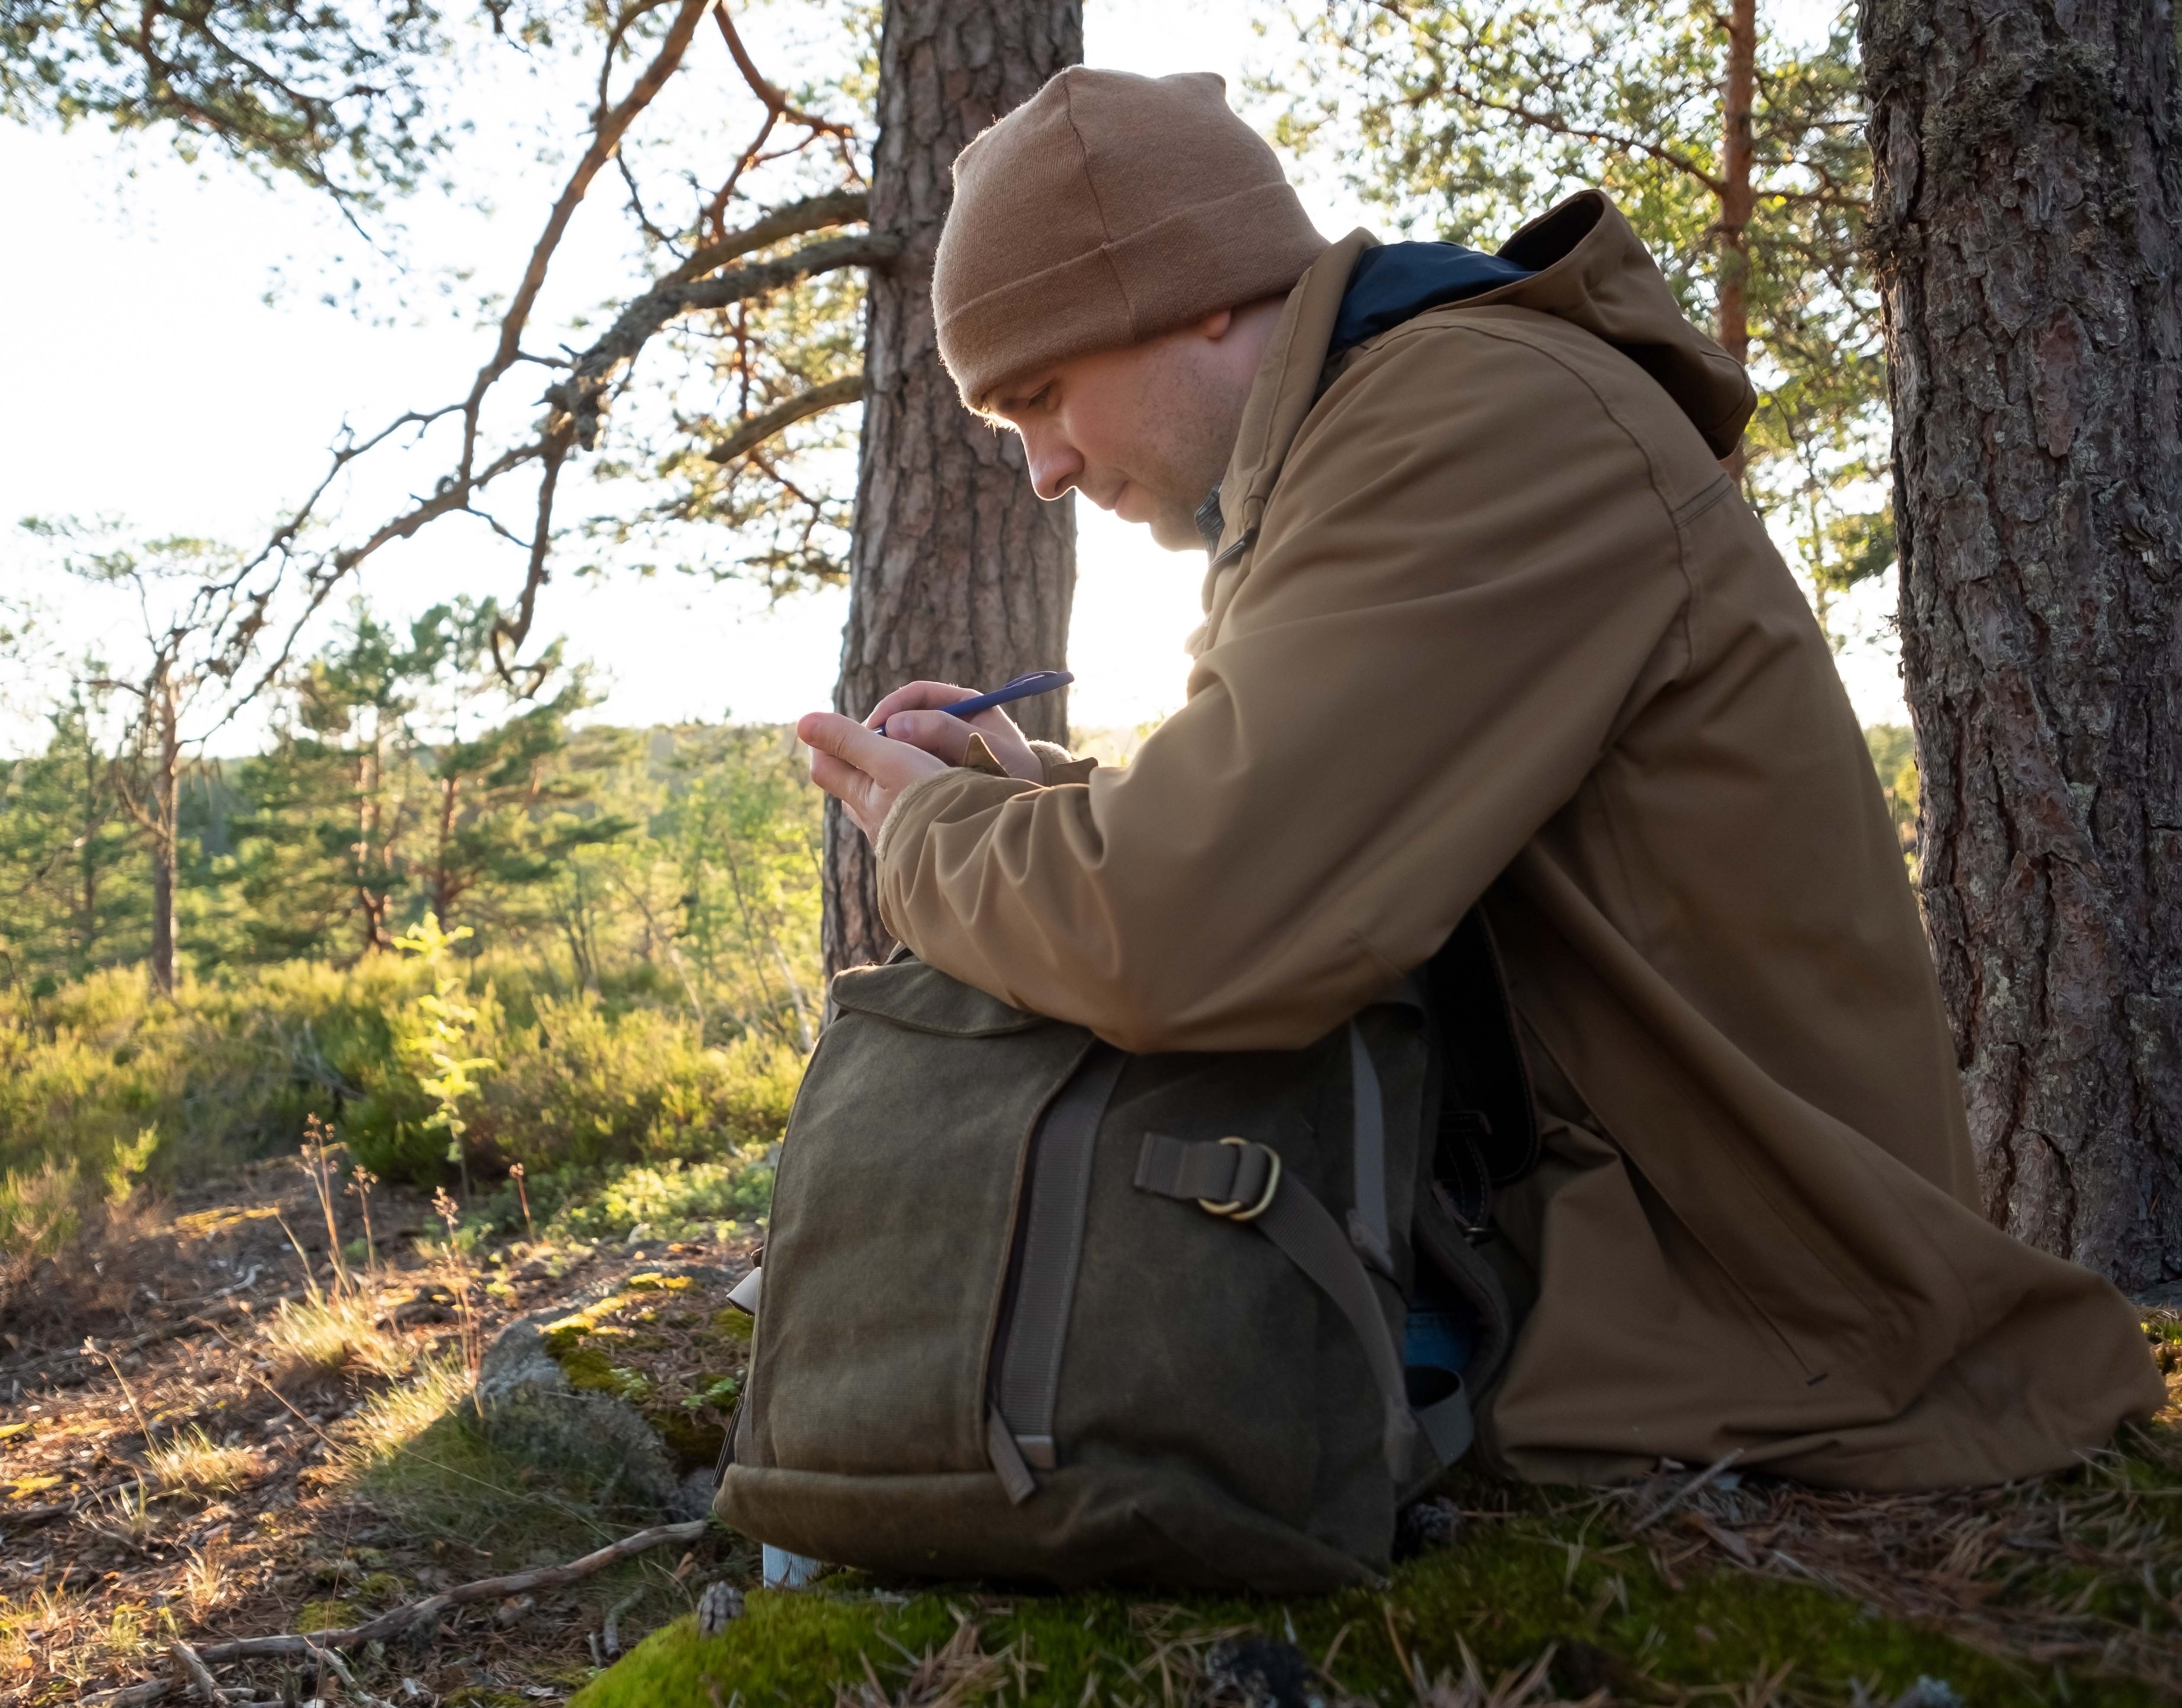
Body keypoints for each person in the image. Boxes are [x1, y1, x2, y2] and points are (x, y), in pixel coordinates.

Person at [795, 67, 2160, 1489]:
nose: (1042, 469)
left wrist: (920, 826)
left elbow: (1187, 924)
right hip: (1614, 1245)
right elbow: (1300, 835)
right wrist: (1034, 799)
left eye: (1042, 393)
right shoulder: (1374, 439)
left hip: (1768, 1305)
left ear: (1191, 288)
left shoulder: (1467, 425)